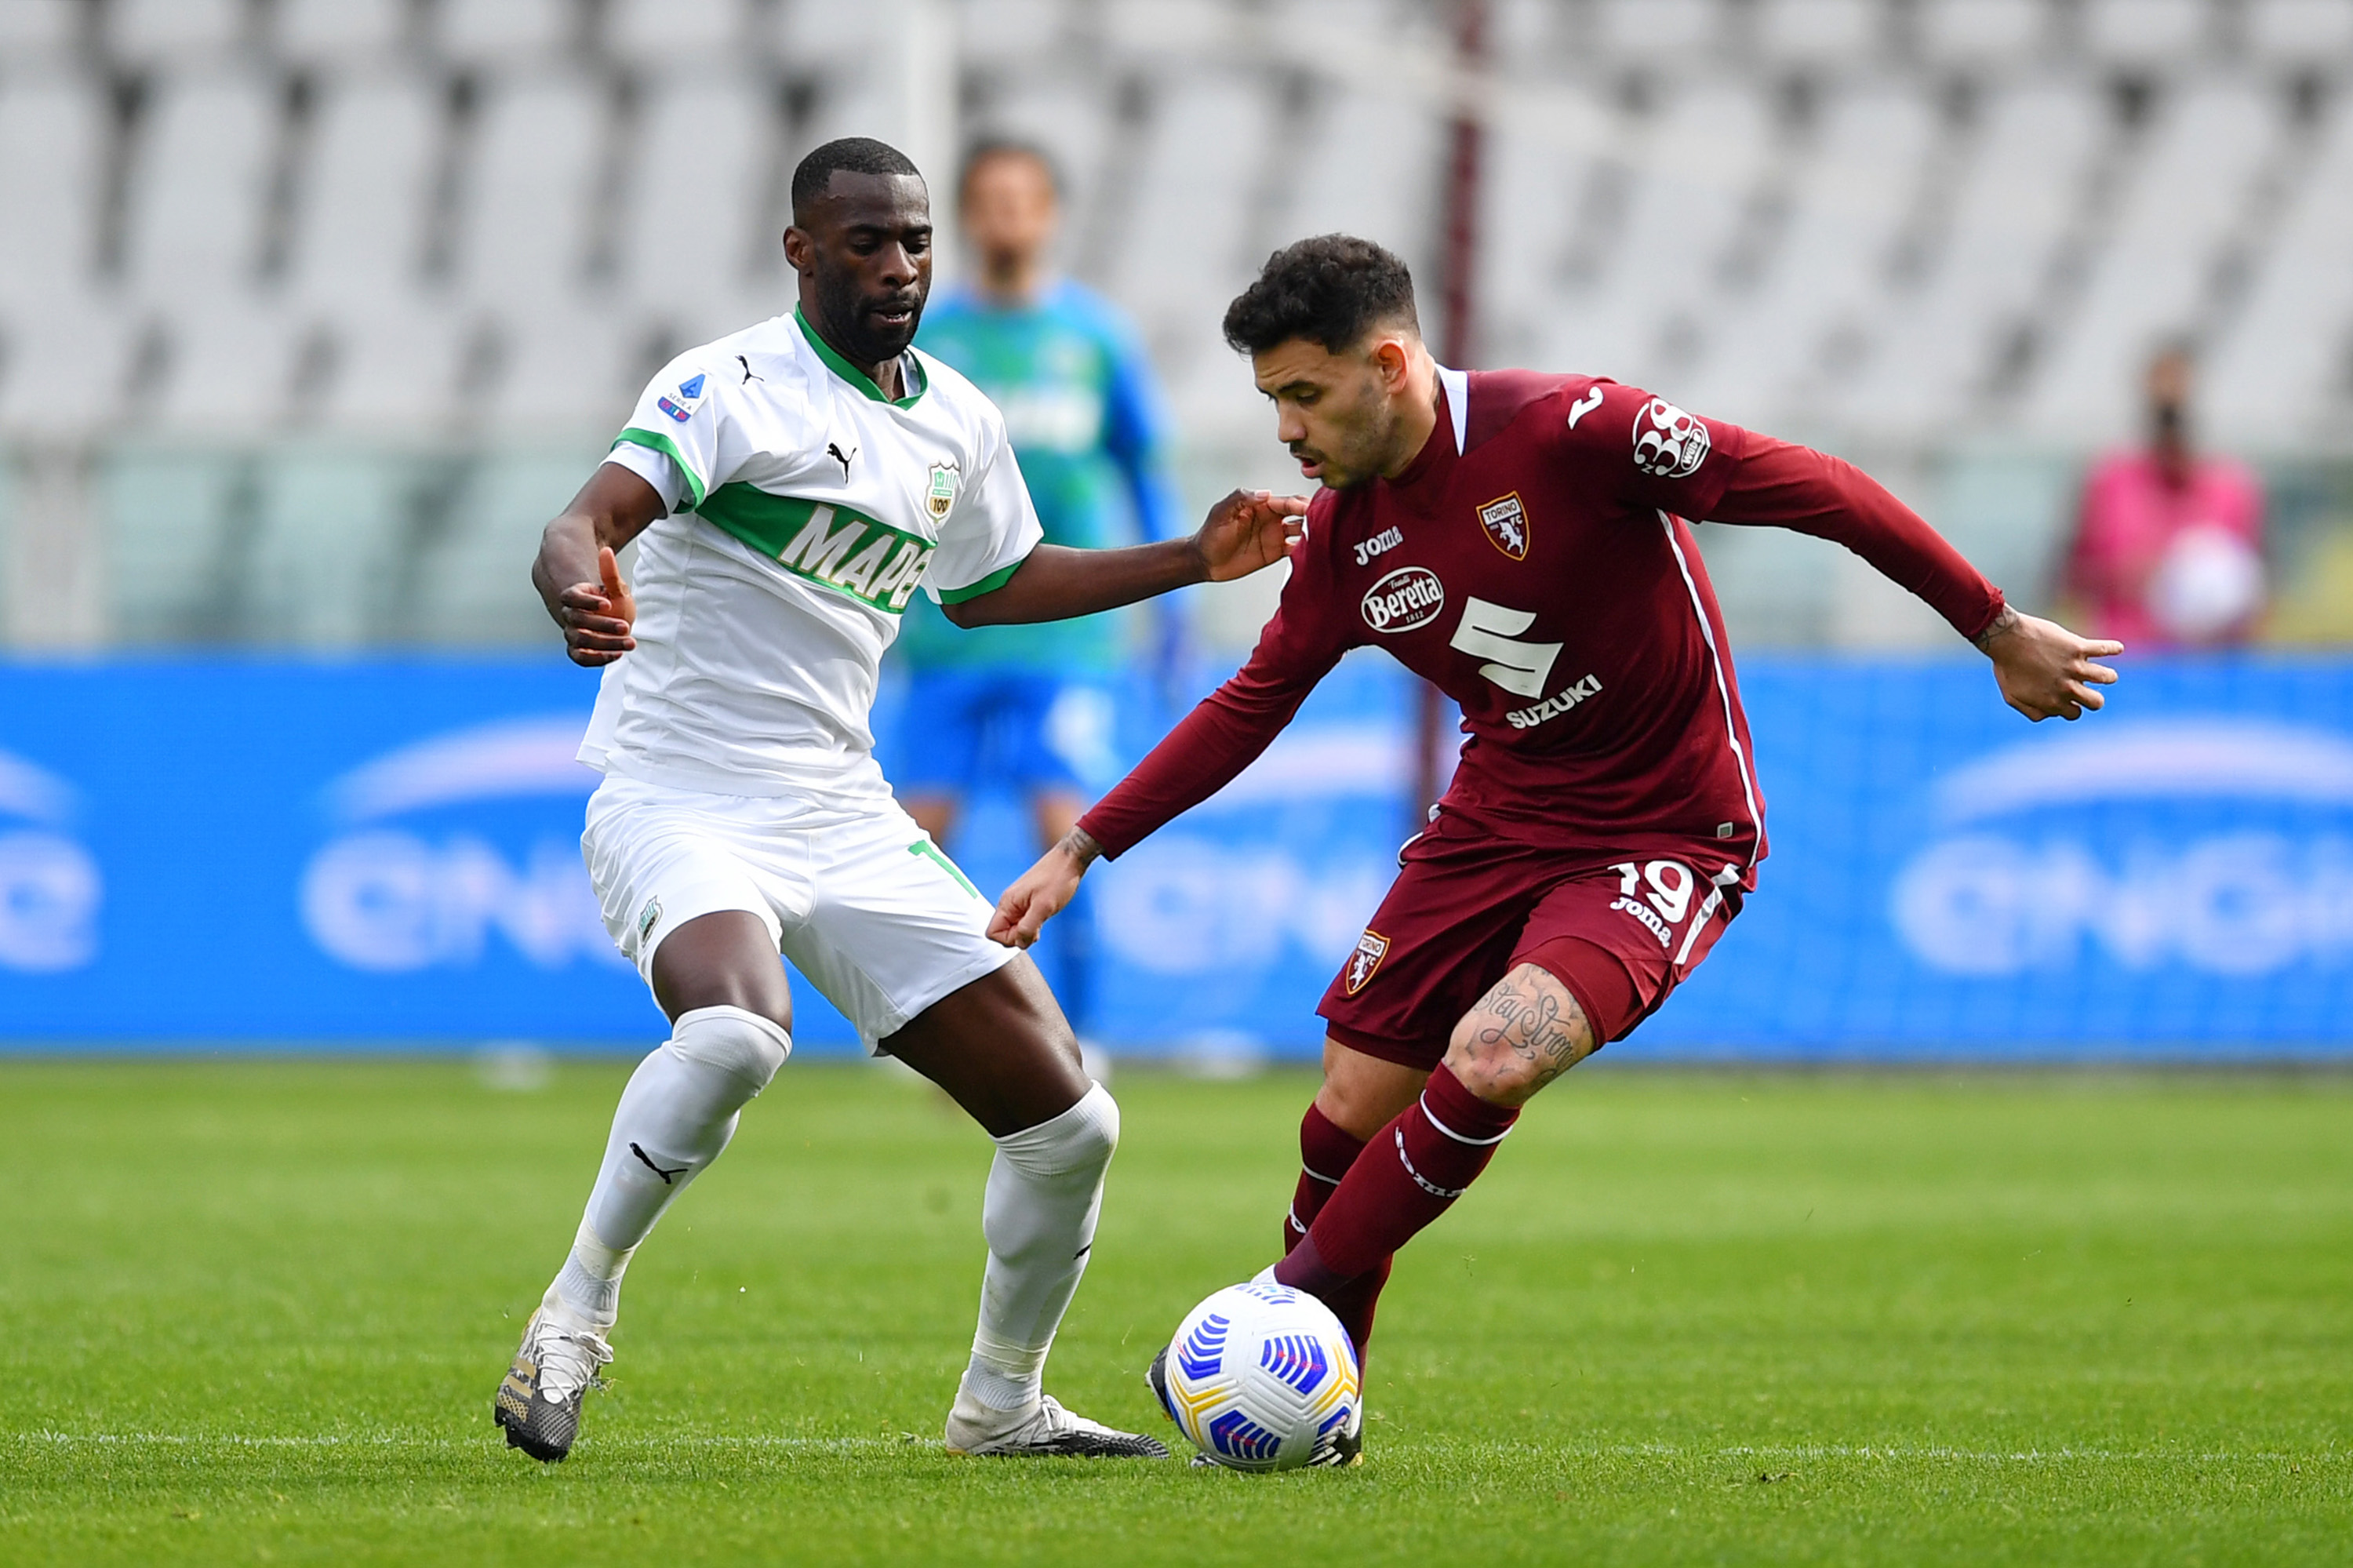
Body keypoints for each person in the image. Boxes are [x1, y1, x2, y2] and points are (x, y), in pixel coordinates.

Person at [990, 235, 2122, 1464]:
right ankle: (1329, 1400)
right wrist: (1085, 846)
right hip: (1497, 818)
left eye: (1305, 394)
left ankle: (1279, 1304)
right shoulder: (1344, 540)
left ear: (1390, 364)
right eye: (1273, 400)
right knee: (1347, 1106)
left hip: (1668, 828)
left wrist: (1995, 625)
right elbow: (1249, 703)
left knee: (1495, 1051)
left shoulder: (1578, 430)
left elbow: (1819, 487)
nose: (1287, 431)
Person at [496, 138, 1303, 1464]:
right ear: (801, 251)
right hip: (679, 794)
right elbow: (579, 522)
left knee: (1071, 1124)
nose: (899, 266)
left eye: (915, 241)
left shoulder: (957, 420)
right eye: (865, 242)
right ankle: (572, 1314)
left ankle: (1002, 1402)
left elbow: (993, 585)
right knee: (738, 1031)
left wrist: (1190, 561)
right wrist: (579, 586)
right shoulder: (728, 386)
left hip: (841, 807)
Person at [889, 140, 1186, 1038]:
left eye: (1023, 199)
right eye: (991, 199)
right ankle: (929, 1029)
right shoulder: (929, 341)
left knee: (1068, 830)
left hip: (1067, 633)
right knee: (917, 839)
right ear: (964, 216)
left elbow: (1144, 469)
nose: (1007, 216)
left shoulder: (1094, 338)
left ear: (1050, 213)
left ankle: (1078, 1036)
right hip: (950, 630)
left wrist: (1175, 610)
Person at [2064, 344, 2267, 648]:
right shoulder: (2109, 482)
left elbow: (2256, 588)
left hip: (2210, 660)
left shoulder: (2233, 488)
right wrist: (2143, 575)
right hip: (2128, 657)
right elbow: (2073, 577)